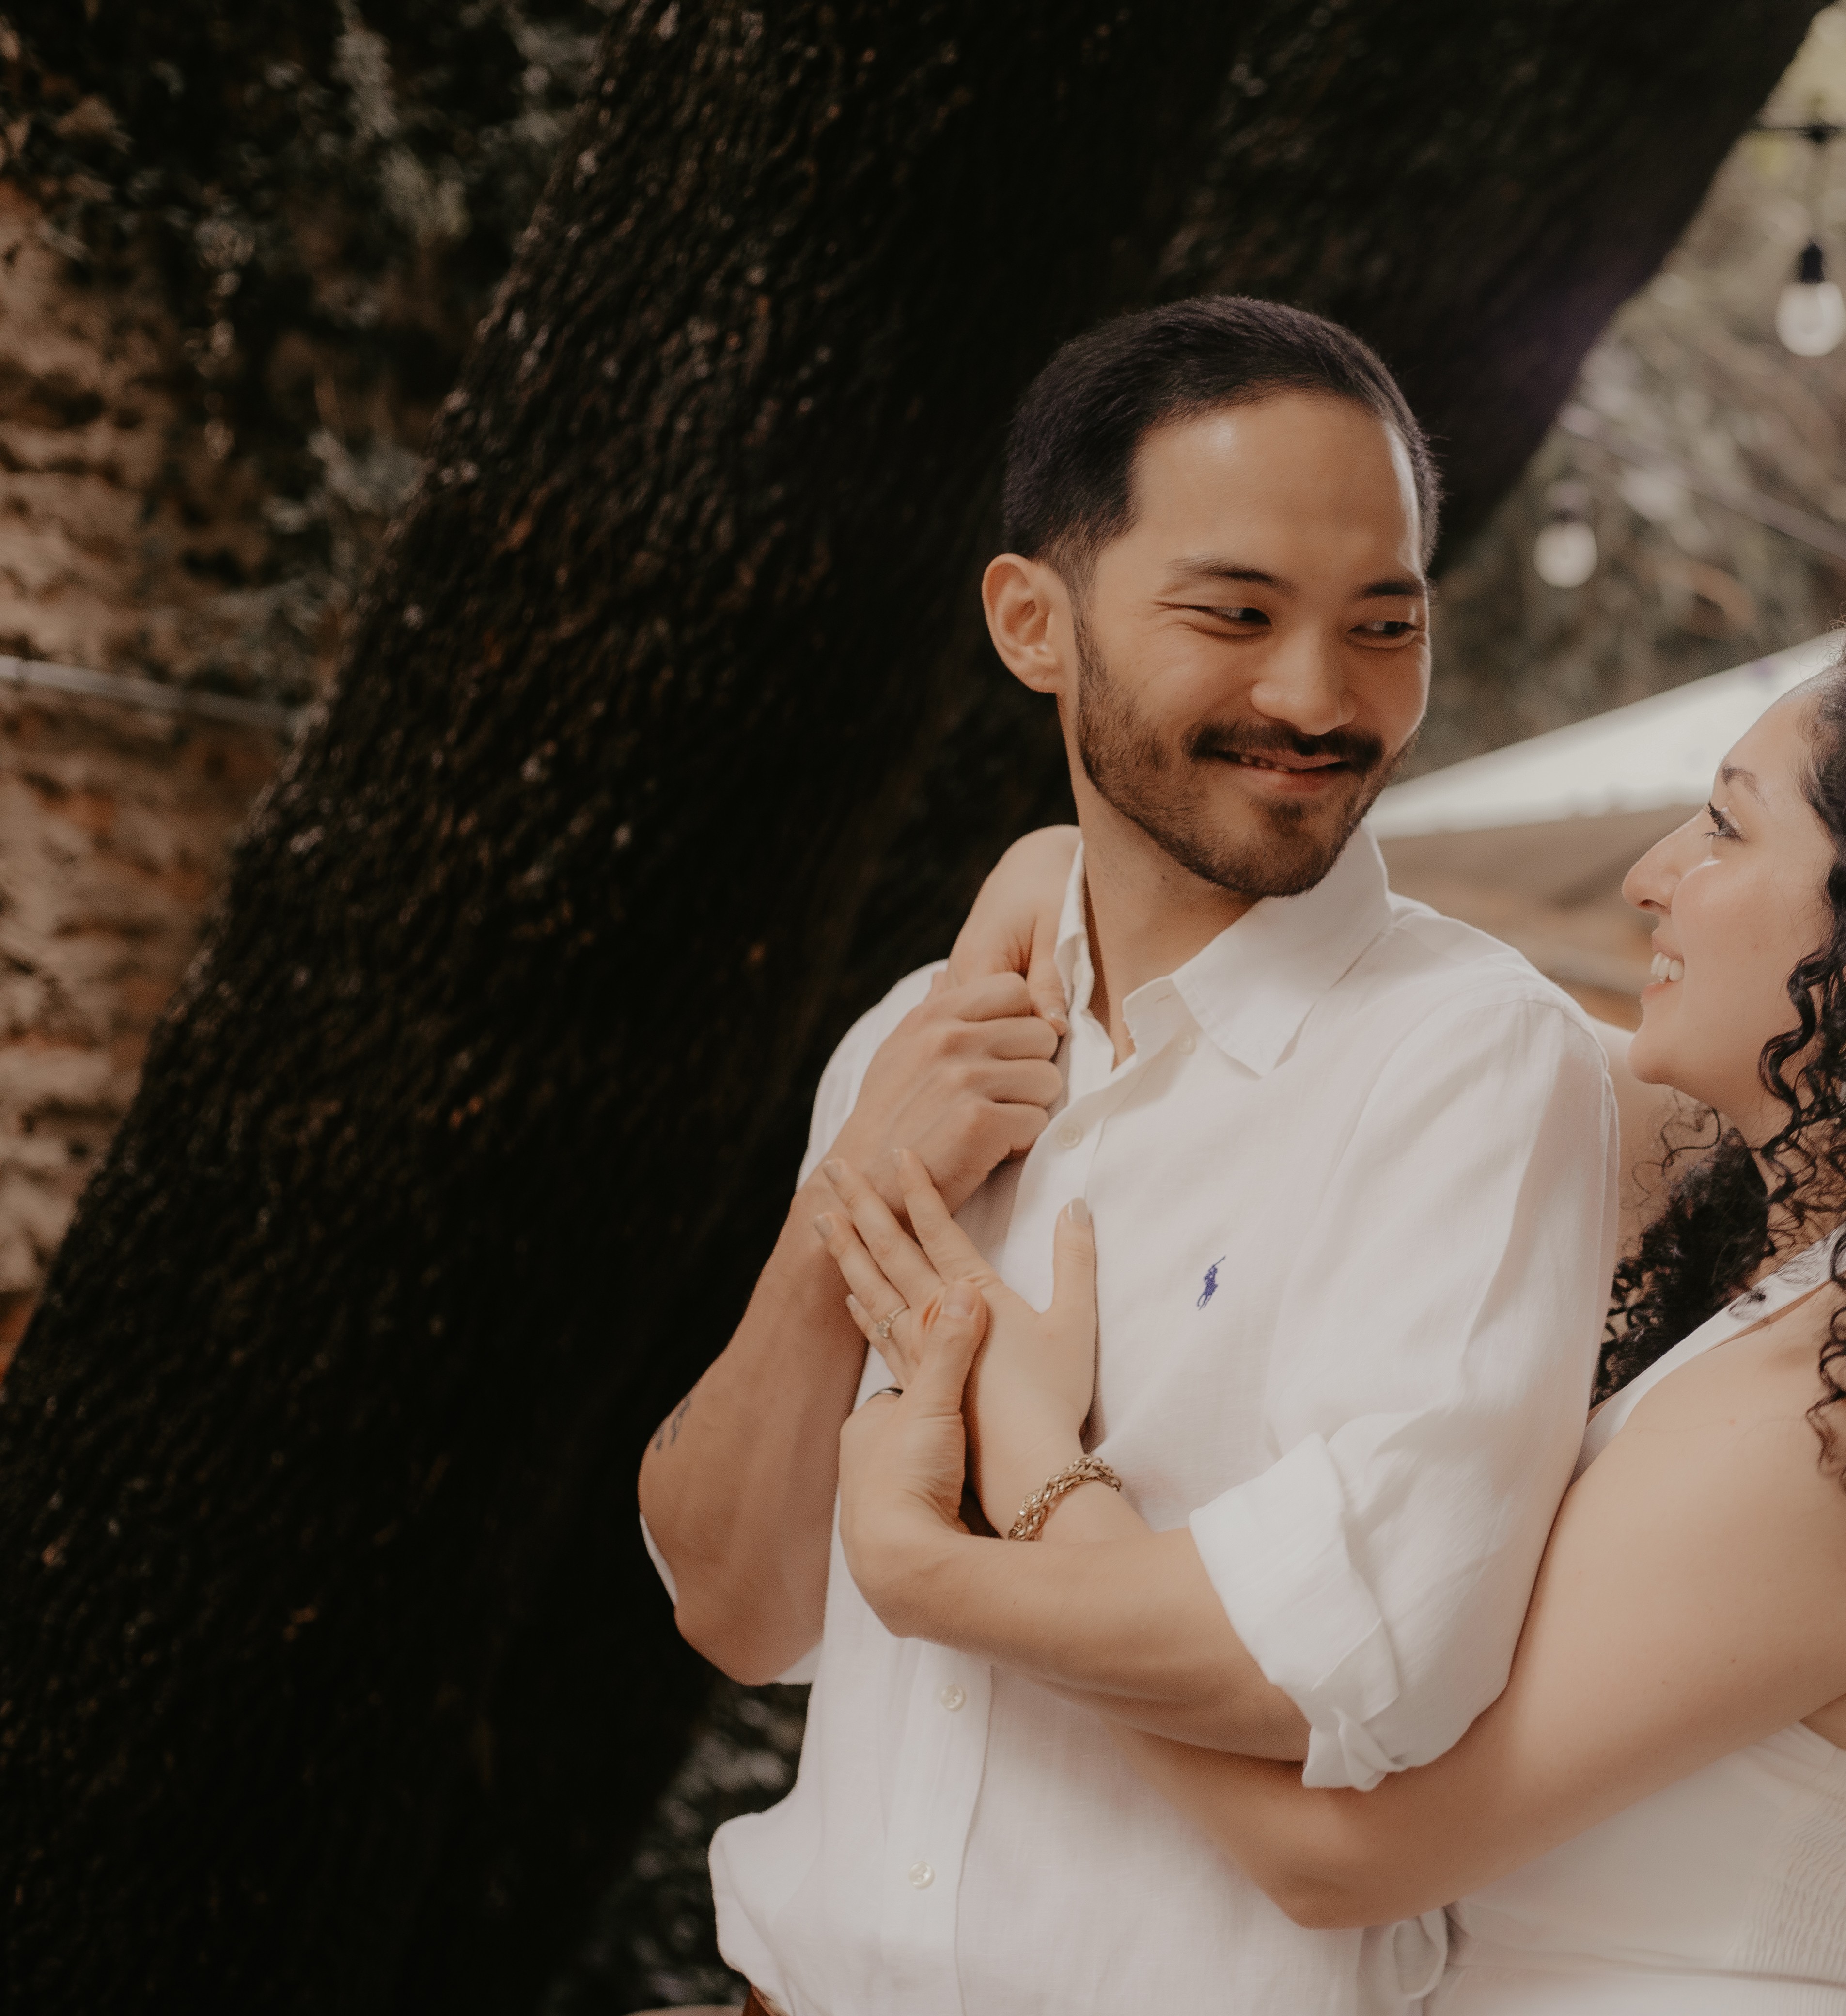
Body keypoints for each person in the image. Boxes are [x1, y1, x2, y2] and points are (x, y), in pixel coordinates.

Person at [824, 607, 1846, 2012]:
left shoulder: (1845, 1423)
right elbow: (1317, 980)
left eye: (1727, 828)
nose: (1651, 879)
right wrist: (1039, 891)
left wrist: (1003, 1500)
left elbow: (1338, 1852)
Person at [635, 298, 1620, 2016]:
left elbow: (1361, 1661)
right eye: (1234, 613)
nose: (1319, 699)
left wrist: (966, 1549)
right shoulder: (909, 1048)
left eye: (1383, 627)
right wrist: (844, 1210)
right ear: (1034, 621)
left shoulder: (1472, 1061)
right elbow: (737, 1607)